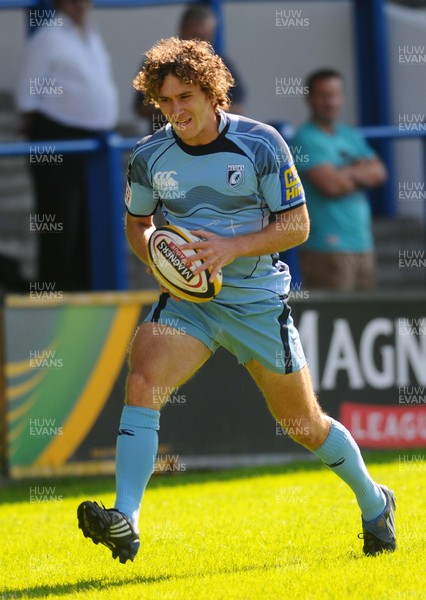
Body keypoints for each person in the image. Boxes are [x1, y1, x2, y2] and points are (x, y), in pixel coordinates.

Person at [77, 38, 396, 564]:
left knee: (304, 424)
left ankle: (373, 500)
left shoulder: (262, 144)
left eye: (185, 97)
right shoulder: (148, 156)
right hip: (188, 301)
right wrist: (160, 260)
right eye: (165, 101)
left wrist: (230, 247)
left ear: (212, 92)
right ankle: (126, 520)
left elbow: (297, 225)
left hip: (256, 303)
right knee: (143, 379)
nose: (175, 111)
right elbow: (139, 225)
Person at [15, 0, 118, 291]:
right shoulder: (49, 37)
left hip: (93, 143)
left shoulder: (89, 36)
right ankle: (54, 293)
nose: (83, 6)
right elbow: (27, 92)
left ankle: (84, 289)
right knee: (60, 221)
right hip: (59, 139)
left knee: (89, 221)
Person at [291, 69, 387, 291]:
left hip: (363, 243)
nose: (330, 102)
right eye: (323, 95)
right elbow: (332, 186)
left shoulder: (348, 134)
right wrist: (359, 171)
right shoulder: (305, 138)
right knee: (332, 322)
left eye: (335, 95)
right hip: (326, 247)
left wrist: (346, 174)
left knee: (366, 319)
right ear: (309, 98)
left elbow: (380, 173)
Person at [133, 2, 246, 131]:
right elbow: (141, 106)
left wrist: (204, 108)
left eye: (207, 37)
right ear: (182, 30)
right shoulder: (159, 63)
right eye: (196, 36)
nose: (202, 44)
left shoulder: (221, 64)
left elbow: (238, 108)